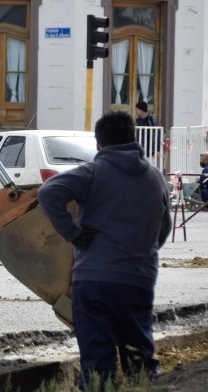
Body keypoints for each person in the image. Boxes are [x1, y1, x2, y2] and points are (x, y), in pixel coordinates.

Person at [37, 111, 171, 391]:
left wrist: (73, 234)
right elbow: (164, 227)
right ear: (134, 138)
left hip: (94, 281)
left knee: (98, 363)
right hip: (138, 280)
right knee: (140, 358)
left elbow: (49, 193)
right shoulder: (156, 178)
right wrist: (141, 252)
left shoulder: (93, 173)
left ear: (99, 144)